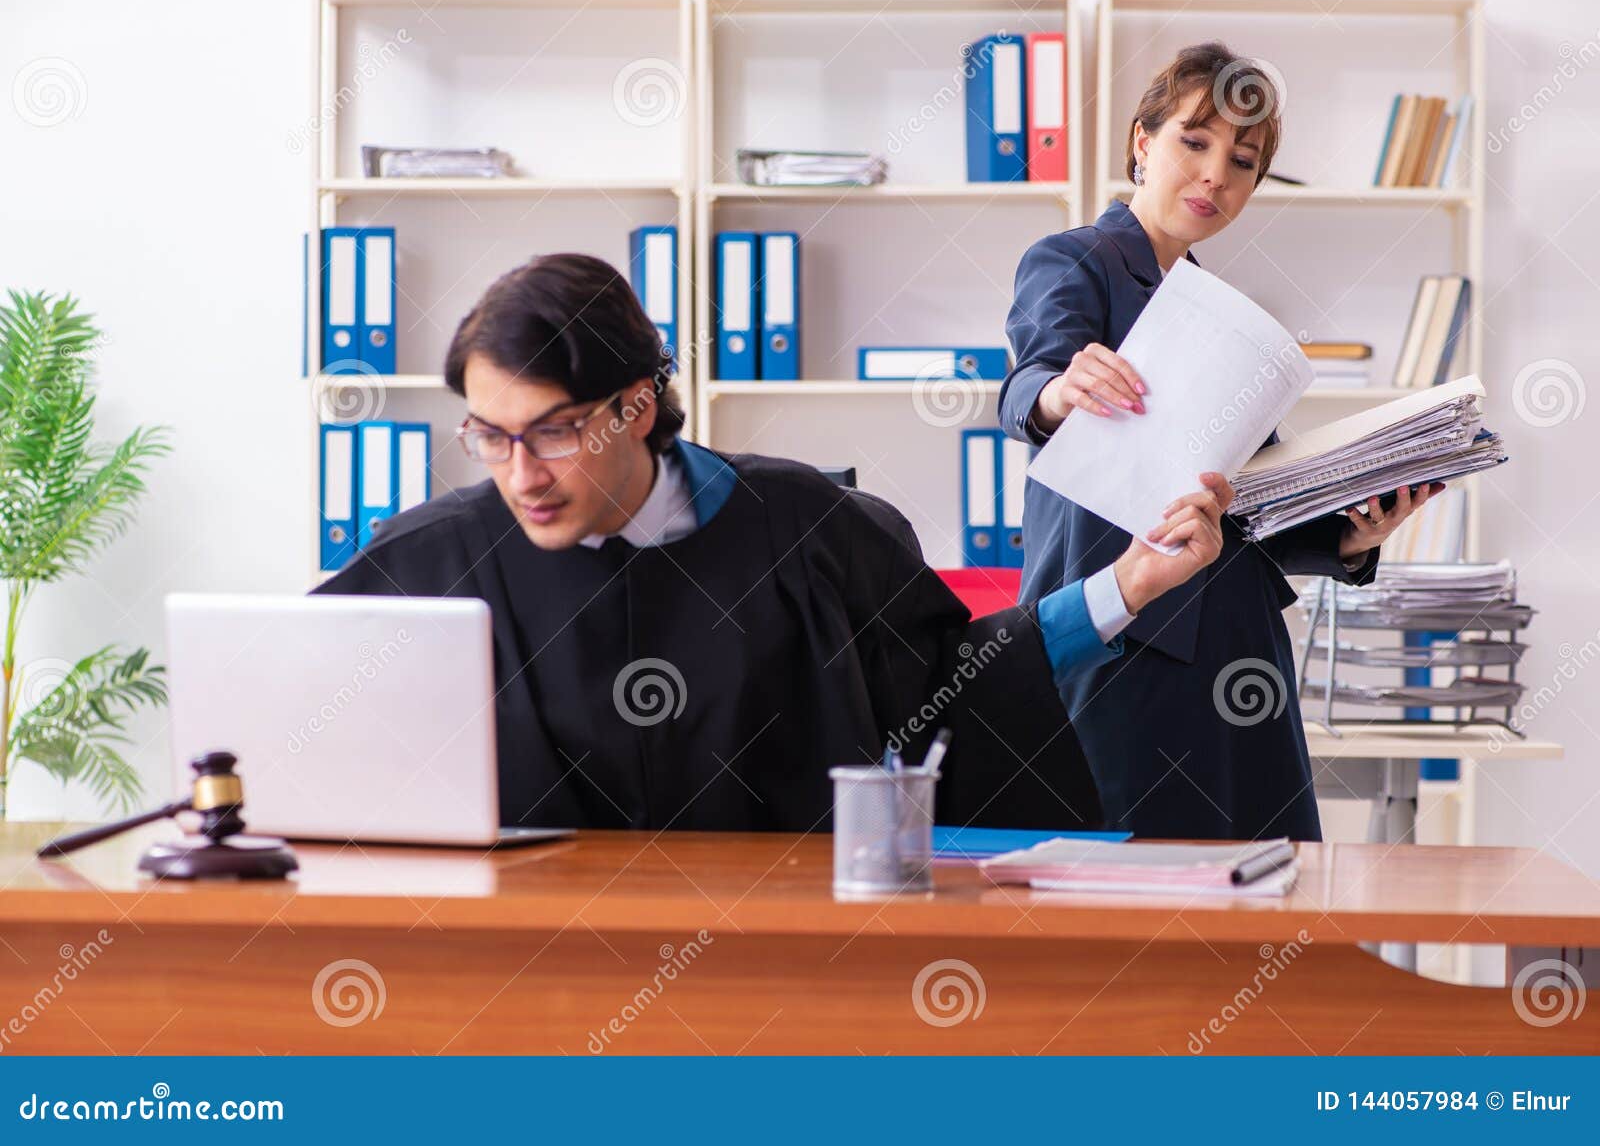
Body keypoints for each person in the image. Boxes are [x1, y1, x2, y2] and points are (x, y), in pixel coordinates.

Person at [316, 252, 1236, 833]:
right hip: (529, 976)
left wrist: (1128, 584)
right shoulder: (433, 561)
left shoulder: (806, 532)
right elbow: (300, 718)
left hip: (779, 960)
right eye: (490, 435)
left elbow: (959, 687)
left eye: (553, 432)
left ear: (637, 407)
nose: (521, 475)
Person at [1001, 42, 1441, 842]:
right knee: (1131, 901)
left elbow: (1252, 497)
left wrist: (1351, 538)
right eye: (1193, 143)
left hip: (1239, 642)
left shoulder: (1217, 313)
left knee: (1264, 888)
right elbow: (1030, 382)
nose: (1216, 176)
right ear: (1143, 143)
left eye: (1242, 162)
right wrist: (1060, 392)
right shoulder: (1077, 261)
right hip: (1124, 635)